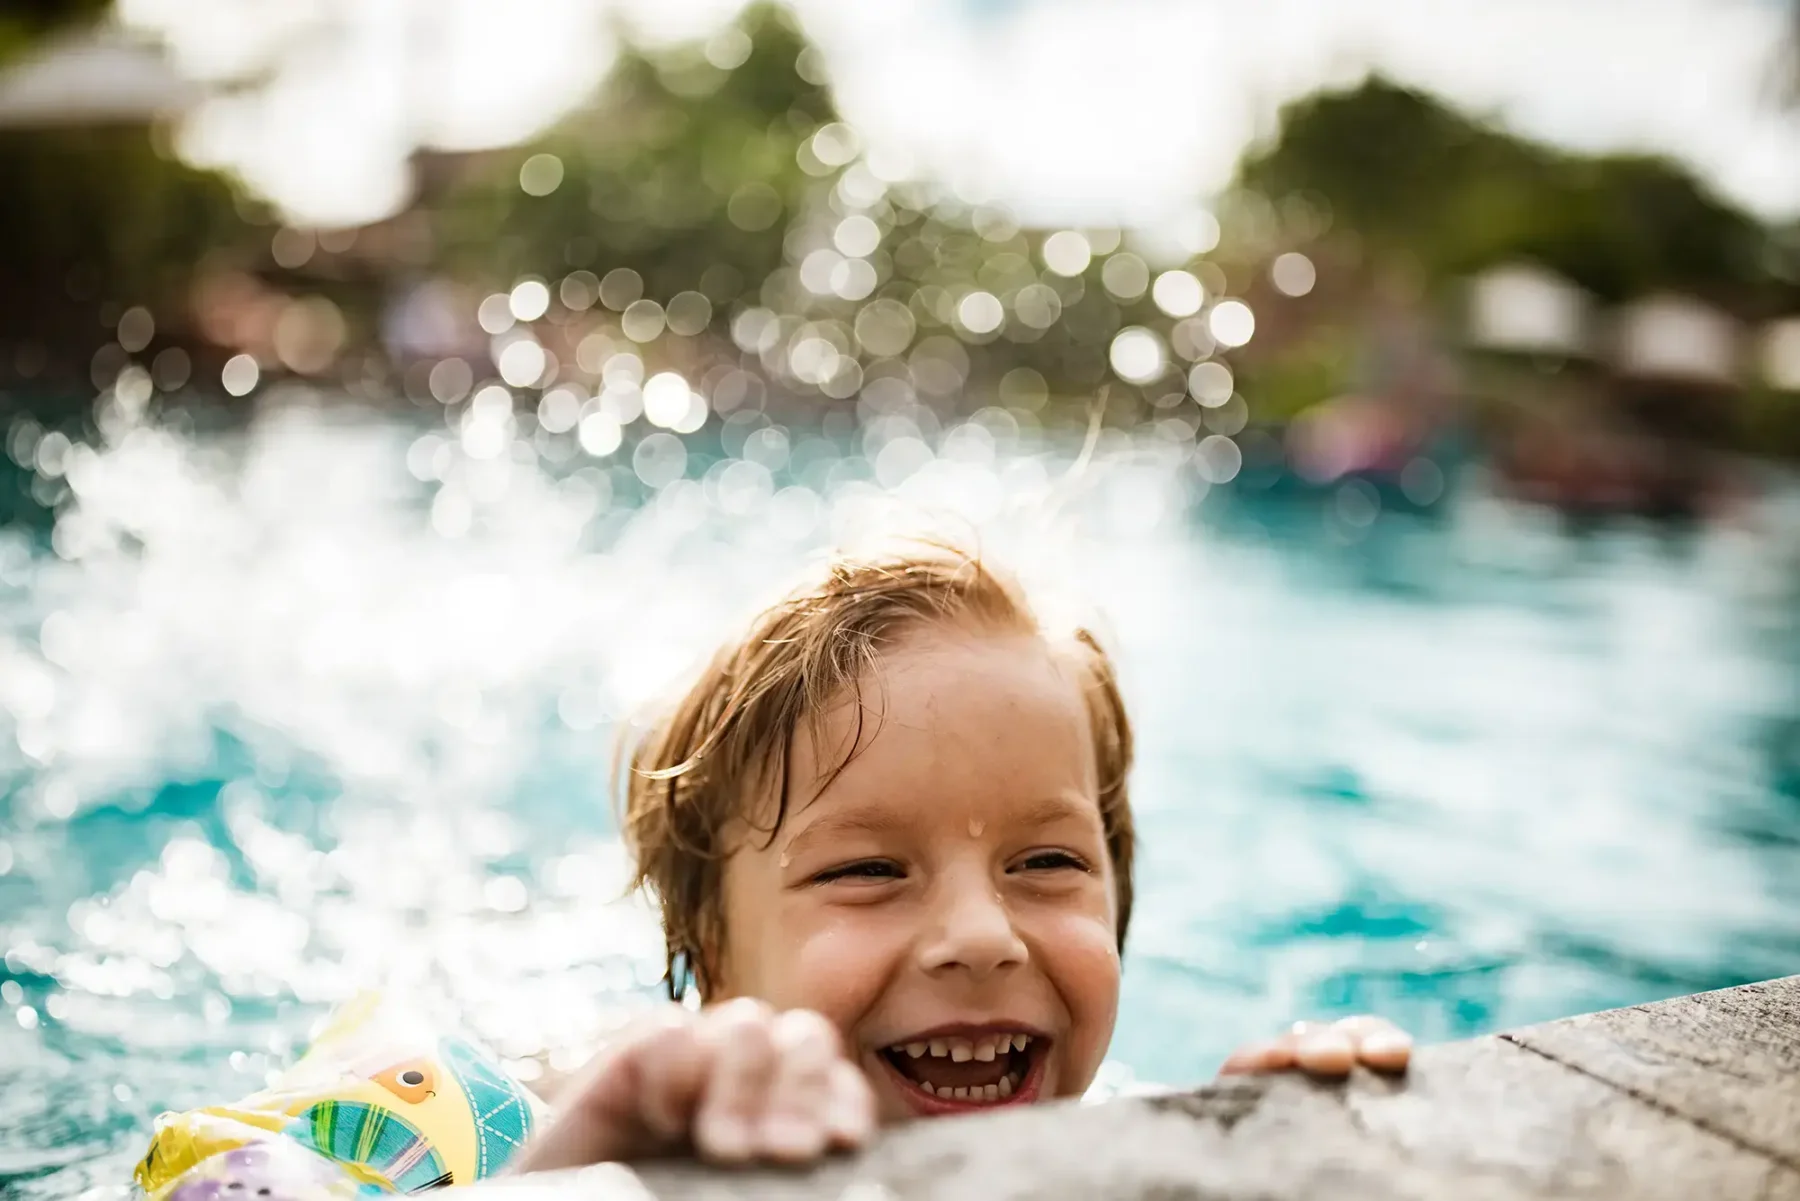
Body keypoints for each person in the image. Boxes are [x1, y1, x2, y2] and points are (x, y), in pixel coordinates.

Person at [512, 540, 1411, 1174]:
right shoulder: (578, 1135)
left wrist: (1262, 1156)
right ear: (710, 955)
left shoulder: (1117, 1141)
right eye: (866, 870)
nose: (983, 938)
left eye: (1047, 861)